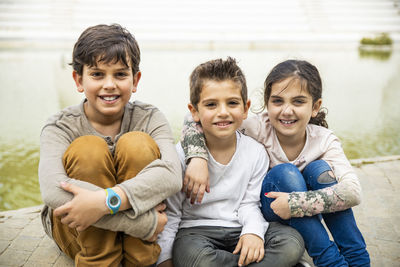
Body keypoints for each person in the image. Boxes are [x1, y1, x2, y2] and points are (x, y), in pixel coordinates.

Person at [180, 59, 371, 267]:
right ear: (267, 104)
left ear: (315, 107)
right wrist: (197, 156)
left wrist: (295, 204)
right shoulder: (255, 127)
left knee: (320, 170)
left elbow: (353, 192)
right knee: (285, 174)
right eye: (278, 101)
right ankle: (330, 261)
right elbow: (195, 119)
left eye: (298, 101)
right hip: (269, 208)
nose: (286, 111)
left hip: (294, 209)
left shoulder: (324, 140)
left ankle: (358, 258)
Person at [38, 24, 182, 267]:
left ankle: (140, 261)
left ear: (135, 80)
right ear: (78, 79)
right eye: (97, 74)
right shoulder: (60, 126)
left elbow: (172, 175)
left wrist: (105, 201)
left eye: (120, 74)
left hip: (140, 242)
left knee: (137, 144)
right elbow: (53, 190)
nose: (109, 84)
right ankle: (100, 262)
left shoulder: (149, 118)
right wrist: (141, 223)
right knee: (88, 150)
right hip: (77, 232)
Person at [157, 57, 305, 267]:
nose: (223, 112)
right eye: (211, 105)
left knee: (291, 242)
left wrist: (252, 232)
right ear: (194, 111)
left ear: (245, 108)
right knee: (193, 258)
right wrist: (165, 259)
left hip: (239, 227)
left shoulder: (255, 152)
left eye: (232, 103)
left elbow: (249, 203)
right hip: (195, 232)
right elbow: (172, 214)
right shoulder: (181, 155)